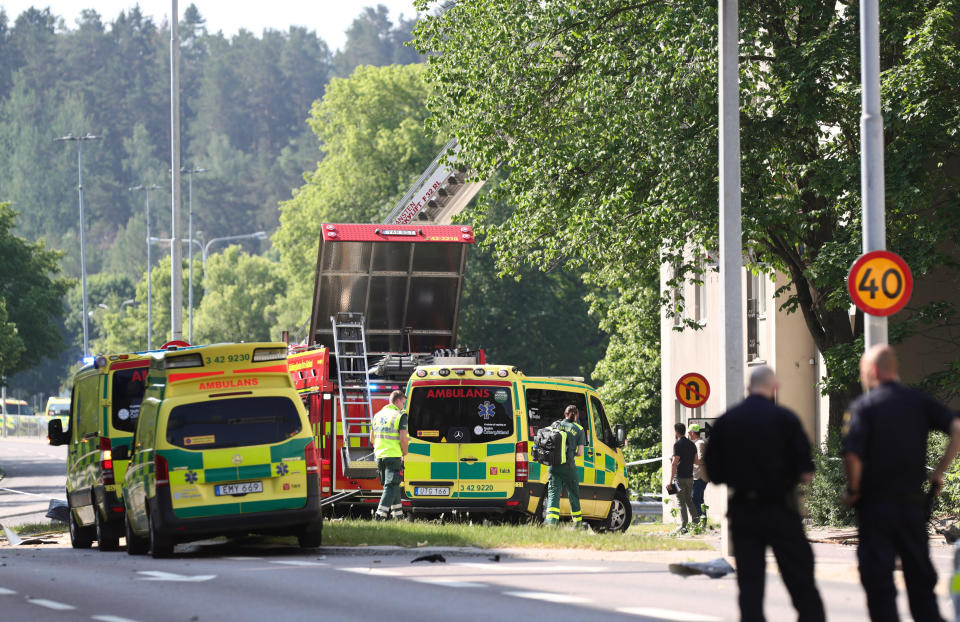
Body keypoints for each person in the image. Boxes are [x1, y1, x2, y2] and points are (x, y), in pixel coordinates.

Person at [843, 344, 960, 622]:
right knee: (921, 584)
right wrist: (939, 471)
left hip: (875, 509)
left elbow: (852, 455)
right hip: (912, 509)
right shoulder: (918, 401)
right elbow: (957, 428)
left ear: (872, 371)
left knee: (879, 586)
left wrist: (854, 490)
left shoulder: (864, 407)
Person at [704, 365, 825, 622]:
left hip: (744, 511)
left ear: (748, 389)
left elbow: (713, 474)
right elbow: (806, 472)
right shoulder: (786, 419)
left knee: (750, 586)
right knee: (801, 580)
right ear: (775, 388)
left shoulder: (727, 421)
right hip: (782, 510)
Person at [544, 404, 585, 527]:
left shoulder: (556, 425)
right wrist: (571, 452)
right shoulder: (579, 429)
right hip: (569, 468)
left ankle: (551, 523)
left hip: (554, 466)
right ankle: (577, 524)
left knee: (553, 494)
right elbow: (580, 453)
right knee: (573, 494)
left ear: (565, 414)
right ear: (576, 415)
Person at [370, 390, 409, 520]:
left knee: (393, 485)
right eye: (403, 403)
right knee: (391, 485)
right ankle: (380, 515)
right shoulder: (400, 416)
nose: (403, 406)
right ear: (397, 401)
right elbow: (403, 438)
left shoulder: (377, 415)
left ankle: (398, 515)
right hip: (393, 456)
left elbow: (372, 438)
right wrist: (405, 452)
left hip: (379, 456)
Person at [669, 422, 697, 533]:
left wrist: (670, 480)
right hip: (690, 477)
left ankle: (683, 526)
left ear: (676, 432)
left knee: (680, 501)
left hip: (679, 477)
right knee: (689, 500)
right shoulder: (692, 444)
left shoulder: (677, 445)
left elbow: (674, 463)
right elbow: (695, 461)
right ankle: (696, 522)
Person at [689, 423, 708, 525]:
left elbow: (701, 459)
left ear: (692, 433)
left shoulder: (699, 443)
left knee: (695, 498)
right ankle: (702, 521)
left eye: (689, 432)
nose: (688, 434)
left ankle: (699, 522)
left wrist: (689, 460)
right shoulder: (698, 443)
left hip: (700, 476)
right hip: (698, 476)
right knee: (698, 499)